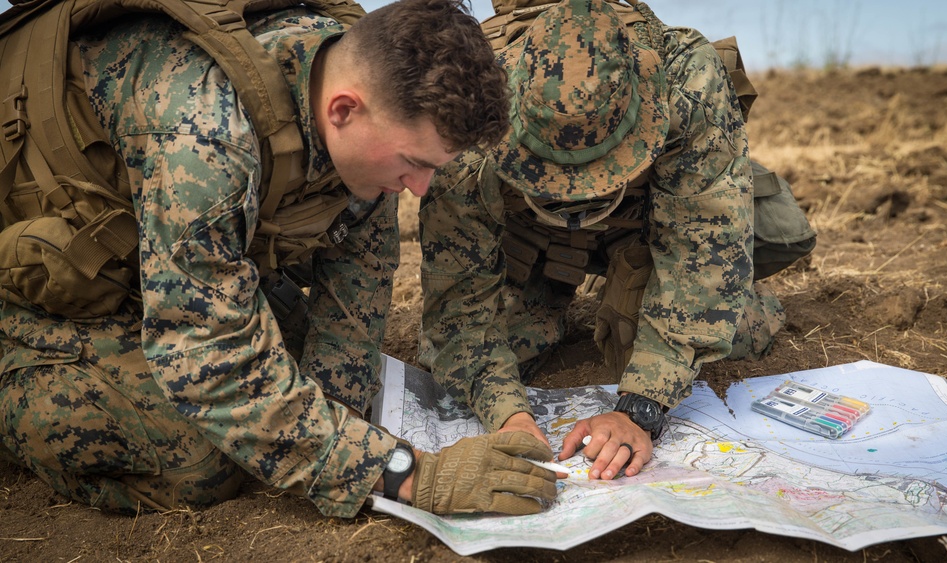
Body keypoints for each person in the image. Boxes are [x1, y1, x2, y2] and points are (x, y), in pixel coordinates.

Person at [0, 0, 557, 518]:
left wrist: (340, 440)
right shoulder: (206, 133)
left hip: (152, 267)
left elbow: (350, 322)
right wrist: (406, 475)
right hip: (43, 288)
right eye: (414, 162)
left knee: (291, 397)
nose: (420, 188)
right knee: (200, 464)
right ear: (343, 110)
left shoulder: (362, 117)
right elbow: (205, 361)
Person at [419, 0, 800, 482]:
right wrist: (510, 416)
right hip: (529, 239)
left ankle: (642, 290)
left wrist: (640, 408)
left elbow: (702, 251)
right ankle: (551, 296)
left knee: (726, 334)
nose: (578, 192)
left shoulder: (686, 80)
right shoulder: (470, 108)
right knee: (458, 365)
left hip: (644, 227)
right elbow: (457, 304)